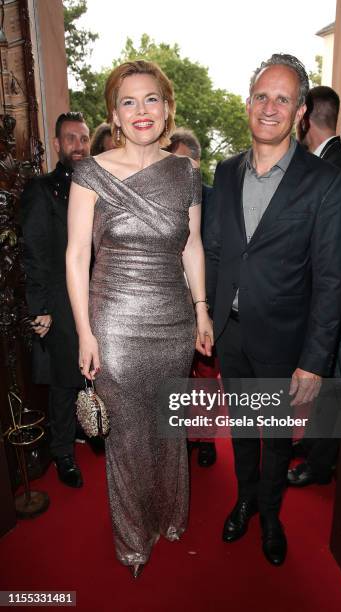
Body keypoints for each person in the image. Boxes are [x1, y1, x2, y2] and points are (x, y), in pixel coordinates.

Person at [66, 60, 213, 578]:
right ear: (115, 113)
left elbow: (192, 246)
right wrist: (85, 332)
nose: (141, 110)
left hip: (173, 322)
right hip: (115, 326)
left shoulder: (186, 173)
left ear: (167, 107)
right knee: (127, 435)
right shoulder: (91, 173)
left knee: (167, 426)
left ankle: (169, 515)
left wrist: (201, 310)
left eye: (151, 99)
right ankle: (132, 541)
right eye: (129, 101)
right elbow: (75, 255)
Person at [205, 54, 341, 566]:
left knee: (276, 439)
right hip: (231, 334)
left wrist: (314, 360)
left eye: (282, 99)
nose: (270, 107)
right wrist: (207, 316)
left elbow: (332, 280)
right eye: (262, 96)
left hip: (287, 342)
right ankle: (243, 499)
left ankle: (269, 513)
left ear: (301, 112)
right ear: (248, 104)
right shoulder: (223, 172)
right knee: (242, 429)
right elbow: (218, 251)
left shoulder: (324, 182)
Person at [288, 85, 341, 486]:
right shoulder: (331, 163)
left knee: (332, 384)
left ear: (305, 117)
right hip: (325, 303)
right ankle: (313, 445)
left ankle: (321, 465)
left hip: (338, 306)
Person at [20, 112, 91, 488]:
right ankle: (63, 452)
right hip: (60, 304)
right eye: (71, 139)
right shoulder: (42, 190)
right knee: (65, 381)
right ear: (58, 144)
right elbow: (33, 252)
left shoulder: (99, 187)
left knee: (95, 374)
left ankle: (94, 431)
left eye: (83, 138)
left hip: (99, 298)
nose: (78, 146)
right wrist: (40, 307)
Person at [166, 127, 218, 467]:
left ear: (197, 164)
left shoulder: (216, 199)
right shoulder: (160, 198)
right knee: (177, 377)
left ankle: (207, 438)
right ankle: (182, 436)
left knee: (206, 375)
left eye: (181, 163)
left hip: (206, 299)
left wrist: (207, 304)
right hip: (170, 301)